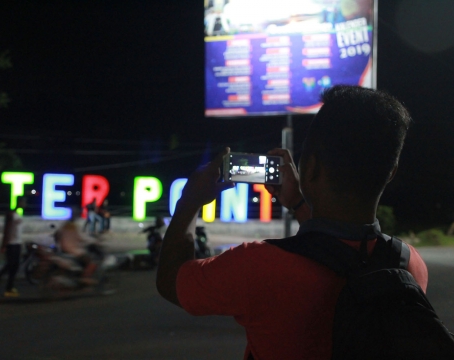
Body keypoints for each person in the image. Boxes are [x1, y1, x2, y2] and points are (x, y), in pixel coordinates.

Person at [156, 85, 428, 359]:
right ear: (390, 173)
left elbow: (172, 282)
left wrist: (189, 201)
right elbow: (339, 248)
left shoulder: (259, 265)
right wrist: (299, 202)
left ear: (309, 168)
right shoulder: (409, 265)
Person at [0, 196, 27, 297]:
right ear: (19, 202)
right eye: (24, 202)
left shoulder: (17, 214)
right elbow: (7, 230)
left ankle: (4, 286)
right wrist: (4, 245)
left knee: (14, 266)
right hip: (11, 244)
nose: (25, 204)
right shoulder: (11, 214)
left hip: (17, 243)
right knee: (11, 265)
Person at [56, 206, 98, 285]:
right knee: (91, 261)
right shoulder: (73, 226)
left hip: (64, 249)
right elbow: (80, 237)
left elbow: (57, 235)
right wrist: (93, 241)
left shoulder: (65, 225)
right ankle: (85, 278)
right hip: (73, 250)